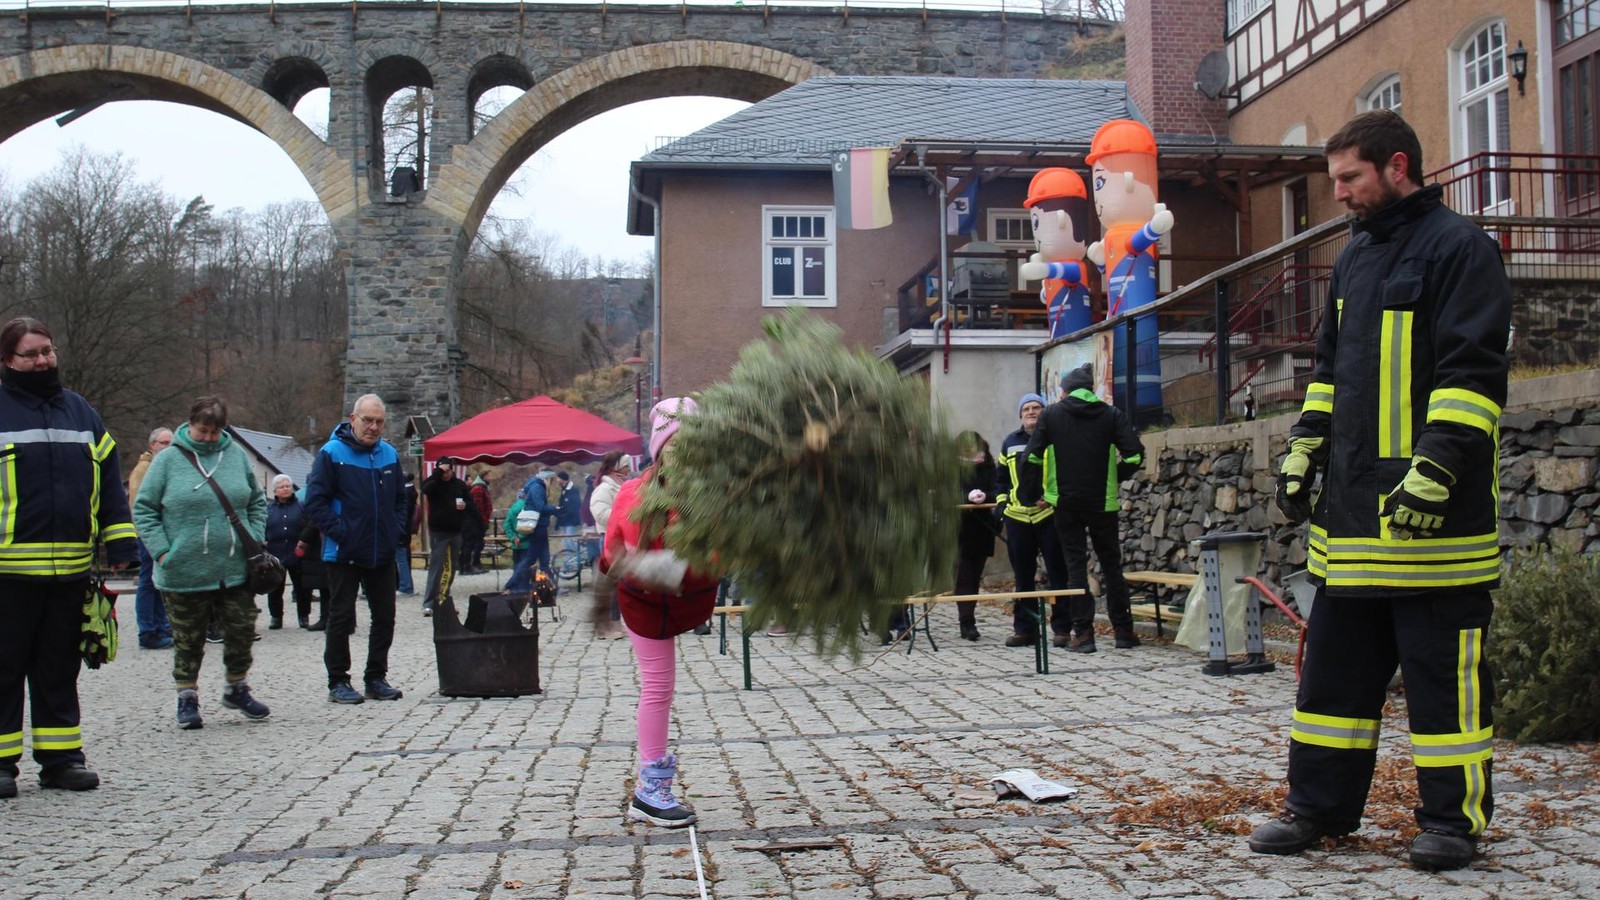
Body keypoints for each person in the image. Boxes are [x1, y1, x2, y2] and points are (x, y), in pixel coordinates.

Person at [1248, 110, 1511, 873]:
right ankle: (1318, 811)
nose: (1340, 197)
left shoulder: (1463, 251)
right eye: (1335, 182)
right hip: (1354, 528)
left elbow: (1471, 376)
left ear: (1399, 166)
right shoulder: (1355, 260)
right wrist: (1304, 449)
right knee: (1332, 683)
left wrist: (1437, 469)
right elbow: (1328, 374)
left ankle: (1452, 824)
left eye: (1349, 179)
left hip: (1438, 527)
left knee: (1442, 690)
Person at [0, 317, 137, 797]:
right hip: (8, 573)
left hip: (70, 570)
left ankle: (62, 761)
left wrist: (120, 540)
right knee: (4, 668)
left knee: (60, 668)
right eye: (30, 354)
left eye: (47, 351)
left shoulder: (80, 412)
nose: (41, 361)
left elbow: (108, 481)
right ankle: (1, 765)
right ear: (7, 362)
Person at [600, 398, 720, 827]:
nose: (684, 452)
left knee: (660, 688)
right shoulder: (635, 493)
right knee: (657, 688)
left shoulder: (710, 495)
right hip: (646, 604)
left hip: (688, 599)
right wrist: (643, 566)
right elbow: (612, 553)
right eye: (675, 443)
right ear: (660, 447)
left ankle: (650, 791)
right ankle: (650, 792)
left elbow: (719, 555)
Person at [133, 396, 272, 730]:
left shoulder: (236, 456)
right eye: (203, 431)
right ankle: (187, 697)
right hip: (183, 569)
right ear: (190, 425)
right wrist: (163, 550)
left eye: (215, 431)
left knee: (241, 629)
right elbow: (144, 508)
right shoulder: (166, 461)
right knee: (188, 638)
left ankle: (236, 686)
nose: (209, 437)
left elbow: (256, 501)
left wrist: (253, 536)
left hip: (234, 567)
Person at [1020, 363, 1144, 654]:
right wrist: (1116, 476)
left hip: (1066, 503)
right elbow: (1136, 455)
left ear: (1063, 391)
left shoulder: (1051, 415)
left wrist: (1033, 494)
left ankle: (1083, 634)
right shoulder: (1111, 415)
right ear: (1090, 390)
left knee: (1075, 566)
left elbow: (1031, 458)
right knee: (1112, 565)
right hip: (1103, 502)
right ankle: (1124, 632)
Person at [303, 394, 408, 705]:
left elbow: (402, 501)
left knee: (385, 617)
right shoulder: (331, 453)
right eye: (367, 420)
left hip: (382, 551)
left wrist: (395, 530)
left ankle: (376, 677)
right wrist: (341, 532)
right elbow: (315, 502)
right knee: (341, 617)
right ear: (353, 419)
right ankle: (338, 680)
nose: (373, 427)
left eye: (379, 422)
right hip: (344, 552)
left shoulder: (389, 454)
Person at [994, 393, 1071, 648]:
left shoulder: (1057, 439)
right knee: (1023, 577)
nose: (1031, 411)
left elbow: (1066, 475)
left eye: (1036, 407)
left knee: (1058, 574)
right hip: (1017, 518)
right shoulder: (1009, 443)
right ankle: (1024, 630)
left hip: (1048, 515)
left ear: (1044, 412)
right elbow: (1001, 479)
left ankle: (1062, 629)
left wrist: (1053, 499)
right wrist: (1002, 503)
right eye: (1026, 408)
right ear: (1020, 414)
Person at [127, 426, 175, 649]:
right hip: (148, 536)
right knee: (148, 582)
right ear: (152, 445)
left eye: (170, 443)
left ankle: (162, 626)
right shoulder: (143, 470)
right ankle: (148, 631)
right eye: (163, 443)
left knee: (159, 583)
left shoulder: (163, 466)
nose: (168, 447)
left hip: (164, 534)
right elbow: (140, 508)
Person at [954, 431, 999, 642]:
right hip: (958, 530)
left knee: (975, 576)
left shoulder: (989, 467)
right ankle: (966, 622)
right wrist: (967, 497)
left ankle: (969, 616)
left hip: (982, 529)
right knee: (963, 577)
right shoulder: (952, 468)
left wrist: (985, 497)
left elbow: (997, 490)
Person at [419, 458, 474, 617]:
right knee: (437, 568)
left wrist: (464, 507)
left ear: (452, 470)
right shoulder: (434, 483)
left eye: (448, 471)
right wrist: (438, 473)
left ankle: (443, 599)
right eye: (443, 471)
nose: (446, 474)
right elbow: (425, 489)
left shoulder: (459, 484)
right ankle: (429, 602)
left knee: (451, 568)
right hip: (438, 532)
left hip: (456, 530)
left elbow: (470, 503)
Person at [586, 451, 632, 640]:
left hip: (621, 540)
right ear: (617, 467)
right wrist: (624, 517)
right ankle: (607, 626)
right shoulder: (605, 489)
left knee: (620, 584)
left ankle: (616, 622)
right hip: (609, 539)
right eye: (626, 466)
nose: (629, 469)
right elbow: (599, 513)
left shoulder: (622, 486)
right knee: (610, 585)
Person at [503, 471, 557, 593]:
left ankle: (552, 586)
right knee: (531, 560)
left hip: (536, 530)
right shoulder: (538, 488)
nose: (552, 483)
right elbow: (540, 507)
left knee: (542, 560)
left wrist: (514, 537)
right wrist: (555, 509)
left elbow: (507, 523)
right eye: (551, 480)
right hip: (538, 529)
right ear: (547, 479)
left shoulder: (532, 487)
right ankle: (511, 585)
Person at [263, 475, 305, 630]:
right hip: (275, 553)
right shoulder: (268, 509)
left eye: (288, 486)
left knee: (302, 588)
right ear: (275, 491)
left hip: (297, 552)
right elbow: (263, 527)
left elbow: (307, 525)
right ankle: (276, 617)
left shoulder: (301, 506)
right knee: (274, 588)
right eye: (281, 487)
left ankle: (303, 616)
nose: (285, 489)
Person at [466, 475, 493, 573]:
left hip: (481, 519)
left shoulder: (483, 488)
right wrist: (483, 519)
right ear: (484, 476)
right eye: (489, 476)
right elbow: (479, 506)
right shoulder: (478, 489)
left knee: (479, 542)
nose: (491, 478)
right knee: (477, 543)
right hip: (478, 521)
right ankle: (474, 563)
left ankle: (476, 563)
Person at [396, 472, 417, 597]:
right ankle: (405, 584)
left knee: (401, 558)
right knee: (403, 557)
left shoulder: (405, 495)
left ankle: (405, 586)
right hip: (405, 529)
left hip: (401, 530)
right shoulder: (411, 493)